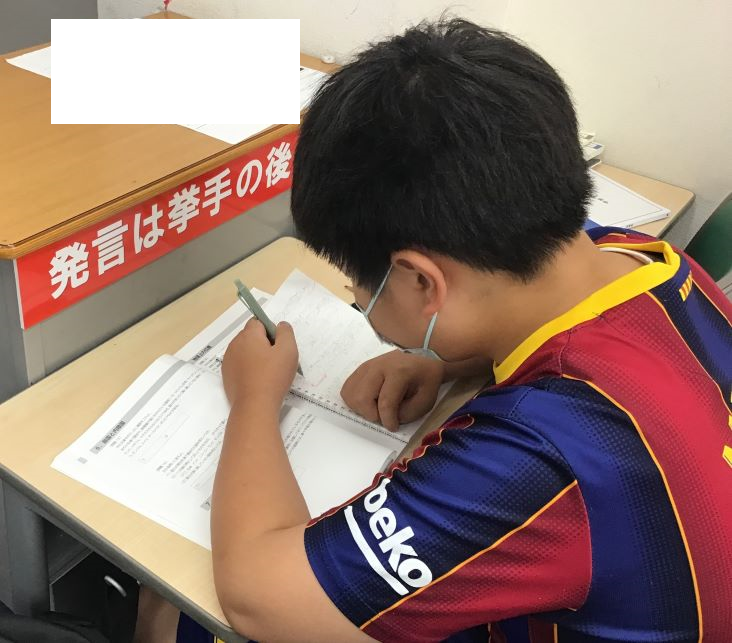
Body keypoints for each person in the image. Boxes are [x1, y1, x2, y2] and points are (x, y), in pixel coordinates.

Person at [210, 17, 732, 643]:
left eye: (355, 282)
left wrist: (254, 397)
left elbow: (257, 596)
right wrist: (447, 357)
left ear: (421, 282)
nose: (355, 296)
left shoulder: (536, 458)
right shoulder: (637, 257)